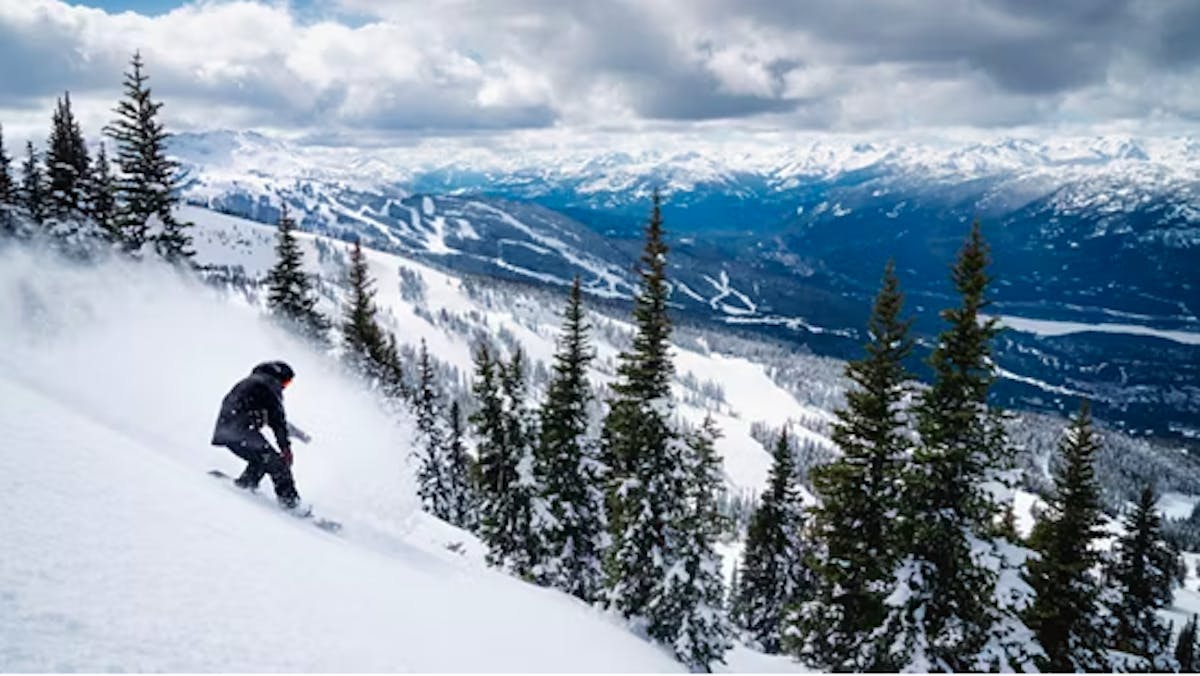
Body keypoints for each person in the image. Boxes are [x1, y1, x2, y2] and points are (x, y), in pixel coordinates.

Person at [211, 361, 303, 509]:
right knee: (278, 464)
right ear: (279, 376)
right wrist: (286, 448)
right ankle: (291, 504)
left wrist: (297, 434)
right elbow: (277, 419)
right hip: (239, 431)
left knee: (262, 458)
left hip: (229, 430)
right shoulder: (269, 384)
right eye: (286, 382)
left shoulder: (256, 382)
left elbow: (273, 417)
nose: (285, 387)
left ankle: (246, 484)